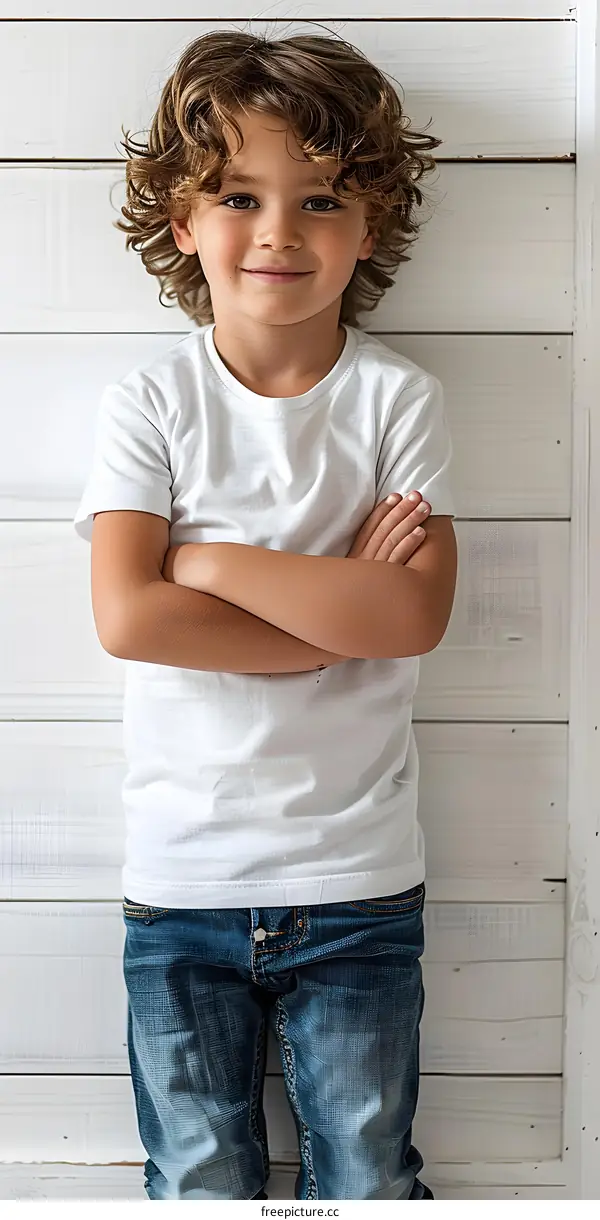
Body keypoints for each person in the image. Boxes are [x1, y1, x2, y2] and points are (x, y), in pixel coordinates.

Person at [73, 29, 457, 1201]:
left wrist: (206, 559)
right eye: (240, 196)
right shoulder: (151, 401)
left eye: (321, 198)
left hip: (358, 879)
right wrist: (336, 612)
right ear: (183, 221)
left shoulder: (397, 400)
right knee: (199, 1180)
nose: (280, 231)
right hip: (181, 883)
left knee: (365, 1177)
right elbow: (132, 618)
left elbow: (412, 615)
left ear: (370, 225)